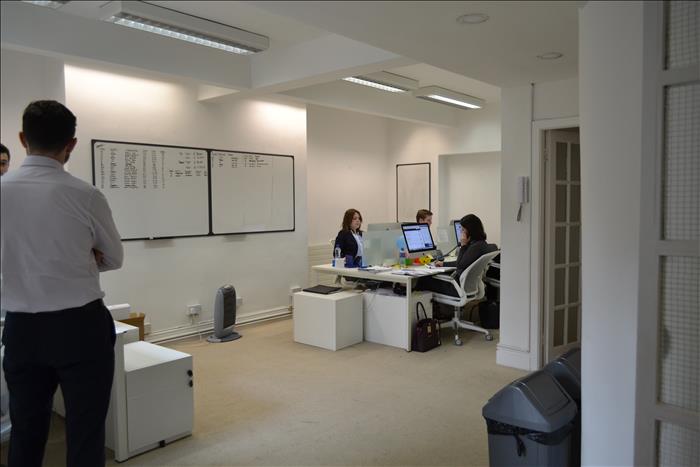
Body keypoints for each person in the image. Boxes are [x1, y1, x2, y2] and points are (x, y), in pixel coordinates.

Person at [1, 100, 123, 467]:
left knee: (26, 430)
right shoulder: (86, 195)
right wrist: (80, 258)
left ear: (22, 139)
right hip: (81, 327)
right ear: (71, 144)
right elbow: (114, 258)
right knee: (86, 432)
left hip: (21, 329)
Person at [417, 214, 497, 297]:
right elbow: (463, 262)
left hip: (456, 288)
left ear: (470, 231)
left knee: (423, 279)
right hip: (465, 287)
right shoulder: (481, 244)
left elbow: (460, 264)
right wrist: (443, 264)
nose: (461, 232)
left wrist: (463, 245)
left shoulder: (475, 248)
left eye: (463, 230)